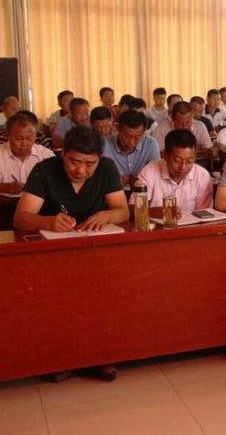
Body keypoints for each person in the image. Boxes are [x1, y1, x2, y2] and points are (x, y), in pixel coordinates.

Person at [15, 126, 129, 383]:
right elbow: (21, 218)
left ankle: (101, 356)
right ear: (63, 153)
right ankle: (63, 359)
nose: (81, 170)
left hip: (96, 251)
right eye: (74, 162)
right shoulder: (45, 170)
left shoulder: (107, 168)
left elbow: (123, 211)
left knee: (104, 300)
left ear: (99, 159)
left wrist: (107, 215)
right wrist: (47, 222)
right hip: (55, 256)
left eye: (90, 164)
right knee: (60, 305)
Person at [133, 129, 213, 213]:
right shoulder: (150, 171)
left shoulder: (202, 176)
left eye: (189, 161)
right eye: (177, 161)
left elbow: (205, 214)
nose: (183, 167)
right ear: (165, 155)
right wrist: (159, 212)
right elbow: (133, 207)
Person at [0, 112, 55, 195]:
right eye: (19, 138)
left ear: (35, 136)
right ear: (8, 136)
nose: (24, 144)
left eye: (29, 138)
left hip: (38, 202)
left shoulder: (46, 155)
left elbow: (57, 183)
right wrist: (5, 187)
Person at [103, 109, 160, 186]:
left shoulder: (150, 144)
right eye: (127, 136)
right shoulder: (105, 145)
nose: (131, 142)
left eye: (137, 137)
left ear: (143, 132)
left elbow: (156, 175)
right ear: (118, 128)